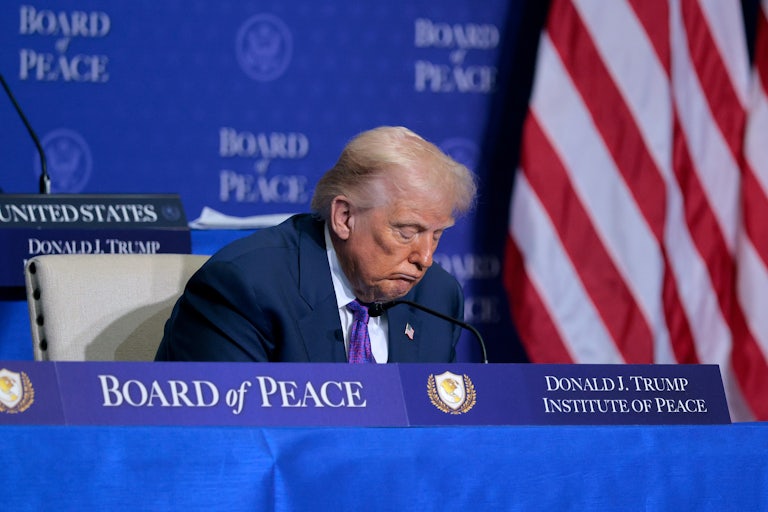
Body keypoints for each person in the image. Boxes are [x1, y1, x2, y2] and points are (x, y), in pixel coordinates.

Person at [155, 126, 477, 363]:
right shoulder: (244, 290)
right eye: (407, 232)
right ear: (344, 217)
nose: (425, 258)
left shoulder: (438, 297)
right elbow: (230, 443)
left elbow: (439, 436)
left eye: (436, 235)